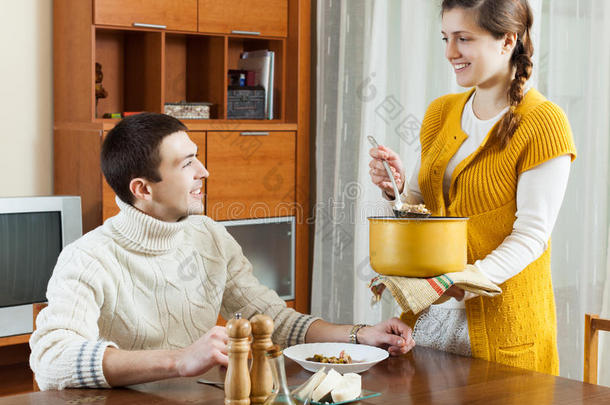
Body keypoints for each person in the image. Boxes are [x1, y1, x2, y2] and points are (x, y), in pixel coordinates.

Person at [30, 113, 415, 390]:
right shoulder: (88, 258)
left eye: (196, 156)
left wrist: (359, 334)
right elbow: (50, 361)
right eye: (187, 164)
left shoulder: (209, 236)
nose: (204, 171)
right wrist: (178, 360)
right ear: (143, 189)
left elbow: (273, 320)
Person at [368, 0, 575, 375]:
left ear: (507, 40)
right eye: (446, 38)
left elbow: (530, 237)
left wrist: (459, 280)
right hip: (428, 325)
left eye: (463, 38)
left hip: (503, 334)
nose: (450, 53)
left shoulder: (543, 123)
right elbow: (419, 209)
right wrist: (397, 190)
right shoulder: (441, 112)